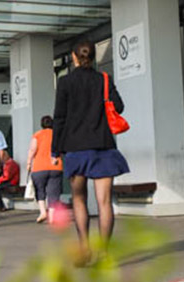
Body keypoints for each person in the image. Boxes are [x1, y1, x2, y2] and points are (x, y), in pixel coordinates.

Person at [52, 40, 128, 264]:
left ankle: (84, 249)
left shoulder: (65, 82)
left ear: (74, 58)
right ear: (93, 57)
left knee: (79, 199)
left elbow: (60, 118)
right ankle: (104, 253)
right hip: (103, 145)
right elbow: (119, 107)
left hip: (75, 148)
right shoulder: (104, 79)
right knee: (104, 202)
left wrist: (56, 148)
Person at [26, 115, 63, 223]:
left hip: (39, 167)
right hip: (55, 166)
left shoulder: (37, 135)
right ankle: (52, 216)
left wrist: (29, 163)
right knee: (53, 192)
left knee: (40, 190)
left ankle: (43, 212)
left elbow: (32, 150)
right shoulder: (57, 135)